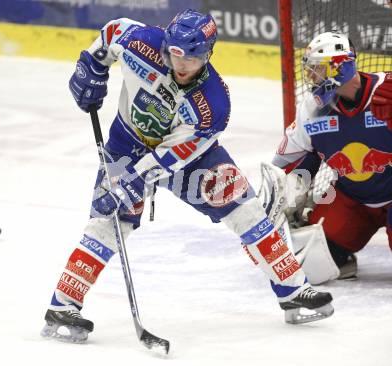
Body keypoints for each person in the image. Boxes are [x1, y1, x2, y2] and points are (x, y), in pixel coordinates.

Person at [41, 9, 333, 343]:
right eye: (174, 53)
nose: (180, 64)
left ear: (207, 55)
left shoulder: (213, 104)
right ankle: (62, 305)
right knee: (107, 221)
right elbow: (110, 32)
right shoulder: (140, 42)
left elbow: (170, 157)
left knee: (244, 207)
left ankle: (293, 290)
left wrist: (133, 181)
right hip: (126, 144)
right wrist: (91, 67)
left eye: (190, 59)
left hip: (189, 159)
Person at [272, 31, 392, 281]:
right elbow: (288, 162)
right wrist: (286, 193)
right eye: (311, 70)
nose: (312, 78)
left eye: (318, 70)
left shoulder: (388, 92)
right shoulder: (312, 110)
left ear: (343, 67)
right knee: (312, 258)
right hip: (353, 199)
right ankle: (343, 255)